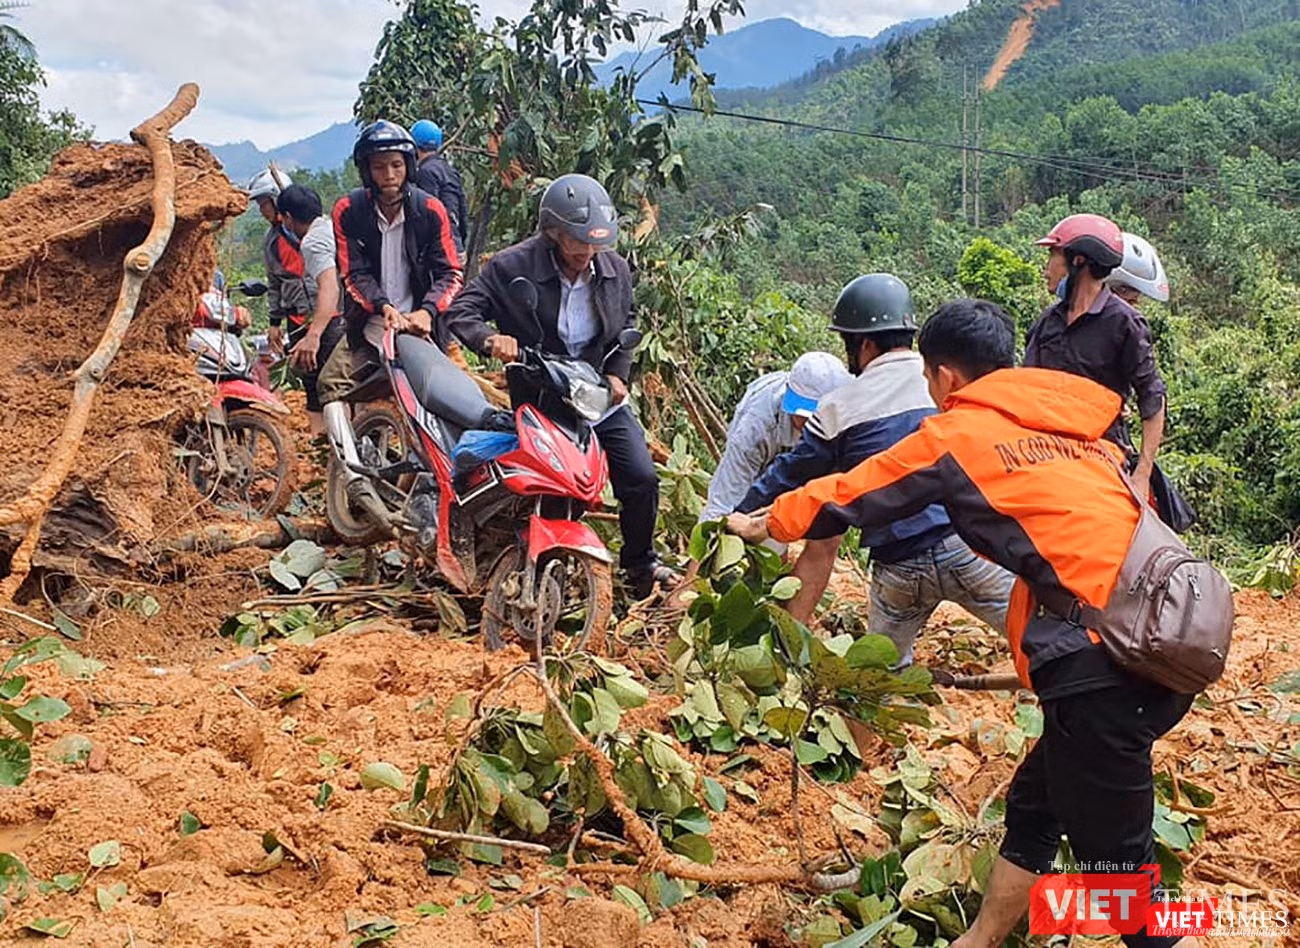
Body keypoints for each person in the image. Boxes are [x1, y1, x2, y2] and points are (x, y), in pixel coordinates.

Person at [728, 299, 1197, 948]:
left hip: (1102, 670)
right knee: (1035, 809)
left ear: (946, 376)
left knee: (1123, 885)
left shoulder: (962, 433)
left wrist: (767, 519)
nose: (927, 389)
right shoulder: (1080, 434)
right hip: (1161, 641)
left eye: (927, 377)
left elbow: (859, 491)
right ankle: (978, 940)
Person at [733, 274, 1012, 662]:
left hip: (897, 566)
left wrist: (740, 515)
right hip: (968, 546)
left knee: (872, 683)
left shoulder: (838, 407)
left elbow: (789, 473)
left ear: (863, 343)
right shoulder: (945, 381)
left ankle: (796, 669)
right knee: (1052, 642)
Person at [444, 173, 677, 599]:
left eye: (594, 243)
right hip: (541, 395)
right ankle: (538, 572)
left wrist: (618, 373)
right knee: (553, 485)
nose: (586, 253)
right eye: (576, 242)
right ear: (552, 233)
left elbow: (626, 325)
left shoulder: (615, 270)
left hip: (593, 394)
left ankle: (641, 564)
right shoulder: (512, 267)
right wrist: (490, 339)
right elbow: (462, 312)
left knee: (641, 477)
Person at [316, 120, 464, 514]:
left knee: (437, 405)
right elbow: (352, 271)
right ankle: (352, 472)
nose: (389, 175)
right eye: (380, 166)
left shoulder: (430, 210)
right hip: (369, 326)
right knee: (329, 384)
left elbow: (451, 271)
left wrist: (427, 312)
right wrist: (382, 306)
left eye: (396, 165)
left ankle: (437, 488)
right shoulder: (349, 210)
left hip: (420, 332)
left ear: (409, 165)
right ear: (367, 170)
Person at [1025, 214, 1166, 506]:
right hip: (1046, 460)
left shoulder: (1124, 324)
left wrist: (1142, 475)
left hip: (1101, 466)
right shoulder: (1046, 324)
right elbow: (1027, 393)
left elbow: (1152, 400)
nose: (1046, 268)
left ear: (1079, 262)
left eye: (1053, 256)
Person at [698, 351, 851, 523]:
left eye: (819, 418)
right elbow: (724, 499)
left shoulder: (848, 423)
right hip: (763, 433)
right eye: (806, 417)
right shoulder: (756, 426)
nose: (812, 424)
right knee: (740, 510)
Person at [275, 183, 345, 435]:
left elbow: (330, 287)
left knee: (326, 385)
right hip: (349, 317)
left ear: (289, 218)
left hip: (332, 321)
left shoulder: (313, 242)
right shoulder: (332, 228)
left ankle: (332, 444)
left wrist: (313, 335)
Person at [246, 168, 302, 358]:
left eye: (264, 204)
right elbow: (275, 284)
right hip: (296, 320)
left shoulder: (311, 229)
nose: (262, 211)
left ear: (277, 199)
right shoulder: (271, 241)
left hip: (328, 318)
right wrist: (274, 323)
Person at [411, 119, 469, 254]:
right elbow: (462, 210)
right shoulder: (449, 170)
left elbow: (427, 215)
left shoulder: (425, 173)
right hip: (456, 245)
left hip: (440, 249)